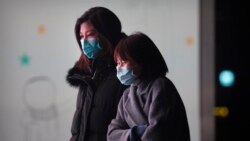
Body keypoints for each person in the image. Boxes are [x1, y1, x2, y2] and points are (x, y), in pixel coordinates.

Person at [107, 32, 190, 141]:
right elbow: (111, 134)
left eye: (123, 62)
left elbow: (158, 132)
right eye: (117, 63)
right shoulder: (127, 95)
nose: (119, 68)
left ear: (141, 60)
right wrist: (136, 132)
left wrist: (127, 135)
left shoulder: (161, 87)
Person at [66, 7, 128, 141]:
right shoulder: (87, 75)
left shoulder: (125, 75)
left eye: (91, 34)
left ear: (106, 34)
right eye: (81, 36)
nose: (84, 41)